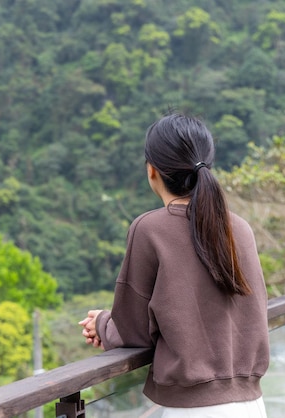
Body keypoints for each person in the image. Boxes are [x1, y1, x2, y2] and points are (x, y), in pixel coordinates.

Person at [79, 113, 270, 417]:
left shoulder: (149, 228)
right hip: (252, 406)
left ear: (152, 170)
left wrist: (102, 322)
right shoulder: (240, 229)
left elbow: (133, 332)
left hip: (192, 411)